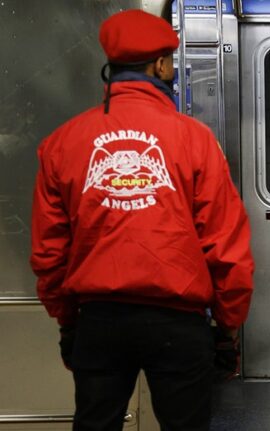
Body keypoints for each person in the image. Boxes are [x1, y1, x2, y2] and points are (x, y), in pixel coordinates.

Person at [29, 10, 254, 431]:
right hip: (179, 322)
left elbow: (48, 249)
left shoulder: (63, 142)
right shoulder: (196, 139)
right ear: (161, 66)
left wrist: (67, 320)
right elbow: (226, 244)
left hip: (99, 319)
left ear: (111, 68)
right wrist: (227, 326)